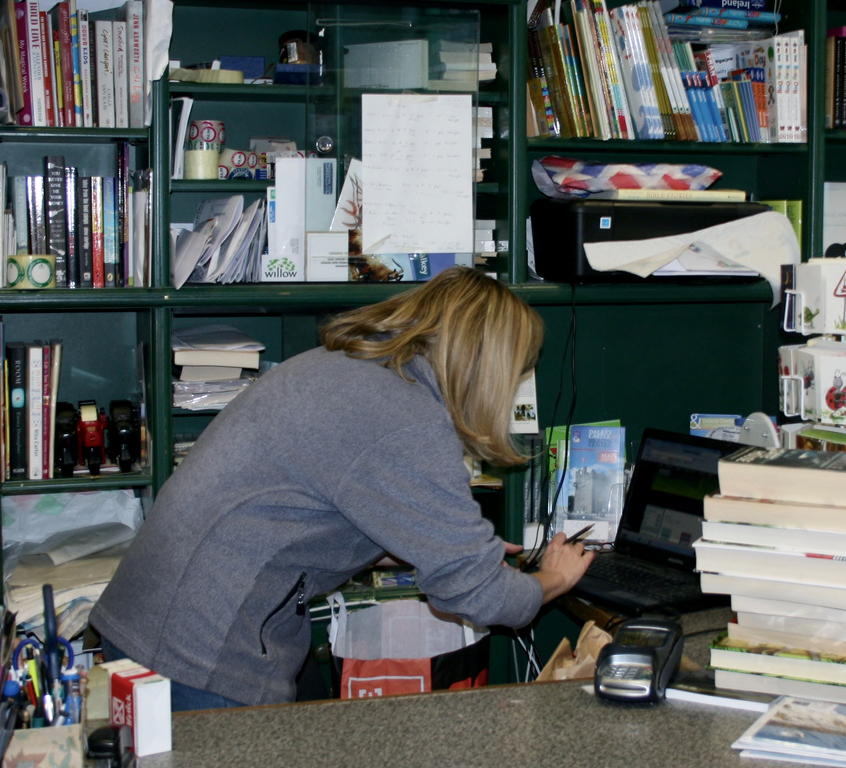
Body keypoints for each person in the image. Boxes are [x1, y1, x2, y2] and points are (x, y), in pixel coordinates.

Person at [90, 267, 594, 709]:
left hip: (149, 625)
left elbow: (308, 505)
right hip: (200, 650)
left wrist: (430, 549)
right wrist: (554, 579)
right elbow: (478, 598)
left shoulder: (346, 368)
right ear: (491, 366)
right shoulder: (407, 419)